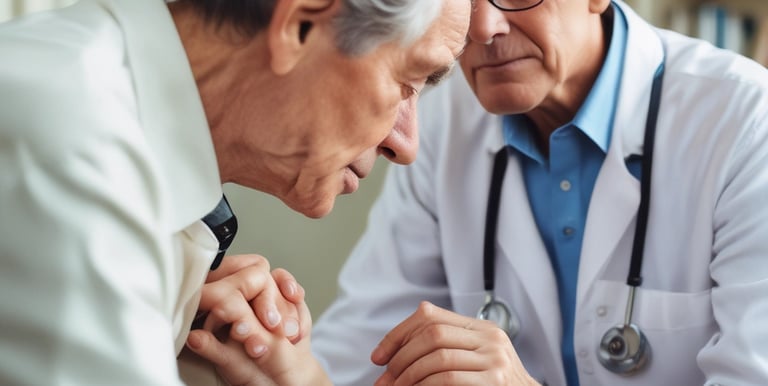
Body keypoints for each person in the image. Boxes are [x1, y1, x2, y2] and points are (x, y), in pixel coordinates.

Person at [0, 0, 470, 383]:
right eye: (407, 84)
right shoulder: (74, 145)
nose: (406, 145)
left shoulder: (90, 92)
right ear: (299, 25)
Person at [305, 0, 768, 385]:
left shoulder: (745, 122)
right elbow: (363, 352)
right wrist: (279, 363)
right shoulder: (441, 125)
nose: (484, 26)